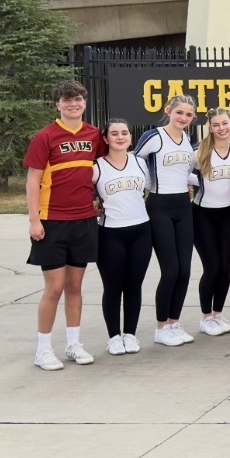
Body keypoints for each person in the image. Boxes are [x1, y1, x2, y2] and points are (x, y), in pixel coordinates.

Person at [26, 81, 106, 370]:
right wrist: (34, 219)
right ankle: (43, 349)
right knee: (54, 288)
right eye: (67, 100)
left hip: (84, 220)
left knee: (75, 286)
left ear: (85, 103)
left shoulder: (94, 134)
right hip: (52, 221)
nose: (73, 104)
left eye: (78, 99)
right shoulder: (45, 136)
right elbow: (33, 179)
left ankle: (73, 344)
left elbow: (102, 170)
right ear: (57, 105)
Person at [135, 94, 198, 347]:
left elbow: (187, 171)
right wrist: (145, 186)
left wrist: (192, 183)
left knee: (185, 270)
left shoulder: (187, 140)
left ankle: (174, 322)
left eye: (189, 114)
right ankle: (161, 328)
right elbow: (134, 160)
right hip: (159, 207)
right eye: (179, 112)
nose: (183, 118)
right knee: (170, 270)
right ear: (168, 110)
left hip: (183, 207)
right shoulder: (153, 136)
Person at [93, 119, 151, 357]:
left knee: (134, 286)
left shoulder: (140, 163)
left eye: (124, 133)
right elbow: (84, 195)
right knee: (113, 287)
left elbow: (152, 189)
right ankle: (114, 337)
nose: (120, 137)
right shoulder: (96, 167)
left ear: (130, 137)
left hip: (141, 231)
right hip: (110, 233)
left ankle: (130, 334)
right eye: (114, 133)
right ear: (105, 139)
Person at [193, 107, 230, 337]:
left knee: (225, 268)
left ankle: (218, 313)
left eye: (225, 123)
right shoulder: (199, 151)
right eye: (216, 125)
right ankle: (206, 317)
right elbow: (181, 174)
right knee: (212, 267)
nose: (221, 128)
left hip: (227, 214)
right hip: (202, 214)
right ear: (210, 127)